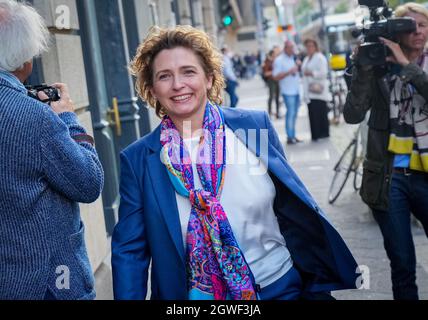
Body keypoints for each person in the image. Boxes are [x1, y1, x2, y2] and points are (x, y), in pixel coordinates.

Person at [111, 25, 359, 300]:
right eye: (164, 76)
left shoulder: (254, 128)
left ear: (209, 78)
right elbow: (130, 253)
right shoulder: (138, 160)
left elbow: (291, 209)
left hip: (281, 286)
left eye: (188, 72)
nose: (177, 84)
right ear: (153, 89)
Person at [0, 0, 104, 300]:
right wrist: (68, 119)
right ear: (24, 59)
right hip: (47, 284)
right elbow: (89, 183)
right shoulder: (34, 118)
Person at [344, 2, 428, 300]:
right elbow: (353, 114)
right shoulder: (378, 66)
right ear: (395, 32)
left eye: (423, 25)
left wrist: (407, 66)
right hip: (389, 177)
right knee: (403, 263)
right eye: (410, 26)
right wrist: (363, 70)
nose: (418, 31)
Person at [273, 40, 302, 145]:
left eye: (293, 47)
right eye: (290, 47)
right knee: (290, 113)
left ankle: (293, 135)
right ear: (285, 48)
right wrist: (289, 72)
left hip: (297, 90)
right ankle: (290, 137)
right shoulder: (279, 60)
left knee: (294, 114)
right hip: (287, 91)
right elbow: (275, 76)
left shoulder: (294, 58)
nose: (292, 49)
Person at [301, 38, 331, 141]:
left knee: (320, 113)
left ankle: (322, 134)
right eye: (307, 46)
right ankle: (315, 135)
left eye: (311, 46)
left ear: (315, 46)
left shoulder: (320, 58)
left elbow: (323, 73)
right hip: (309, 91)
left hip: (318, 90)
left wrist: (311, 73)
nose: (309, 48)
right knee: (312, 114)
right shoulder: (306, 58)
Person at [262, 46, 281, 119]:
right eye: (275, 53)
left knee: (277, 97)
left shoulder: (277, 60)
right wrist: (275, 72)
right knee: (271, 96)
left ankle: (277, 112)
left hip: (277, 80)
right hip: (271, 80)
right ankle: (269, 112)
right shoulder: (268, 61)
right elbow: (265, 73)